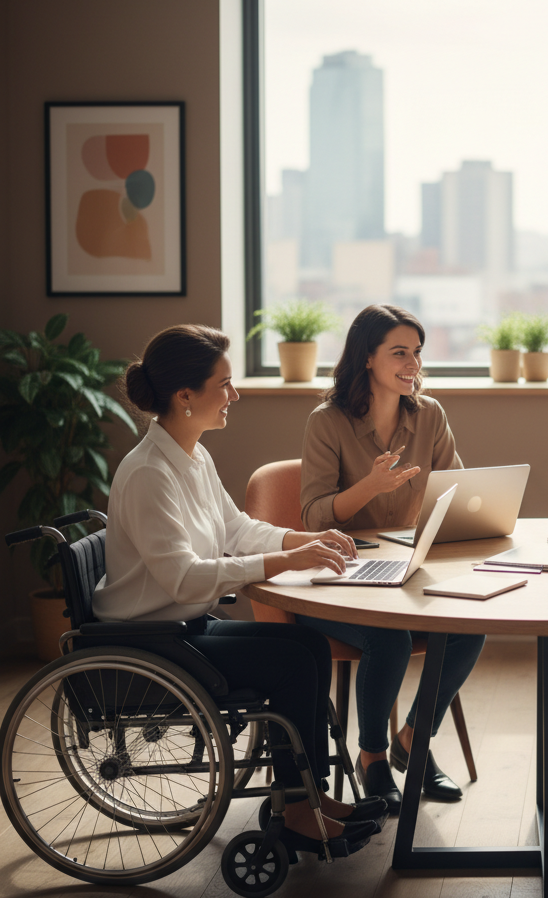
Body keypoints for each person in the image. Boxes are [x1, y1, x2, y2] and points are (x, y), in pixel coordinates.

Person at [93, 324, 389, 859]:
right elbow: (182, 576)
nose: (235, 394)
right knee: (292, 662)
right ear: (186, 396)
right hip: (150, 638)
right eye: (224, 384)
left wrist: (304, 538)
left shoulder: (191, 456)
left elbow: (235, 530)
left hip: (184, 623)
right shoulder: (147, 474)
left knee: (309, 646)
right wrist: (286, 559)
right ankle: (298, 809)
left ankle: (306, 796)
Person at [299, 303, 485, 814]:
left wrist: (471, 515)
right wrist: (371, 487)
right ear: (366, 358)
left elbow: (456, 492)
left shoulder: (429, 415)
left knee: (473, 623)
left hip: (403, 568)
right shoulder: (327, 422)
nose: (413, 363)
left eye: (417, 353)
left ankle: (414, 742)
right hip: (338, 574)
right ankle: (373, 757)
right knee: (390, 636)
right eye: (399, 352)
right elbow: (314, 517)